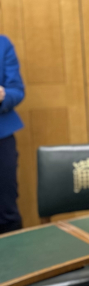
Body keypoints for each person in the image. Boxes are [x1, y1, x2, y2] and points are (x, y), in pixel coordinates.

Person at [0, 35, 24, 235]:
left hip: (2, 138)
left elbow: (16, 90)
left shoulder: (3, 43)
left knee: (7, 210)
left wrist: (3, 96)